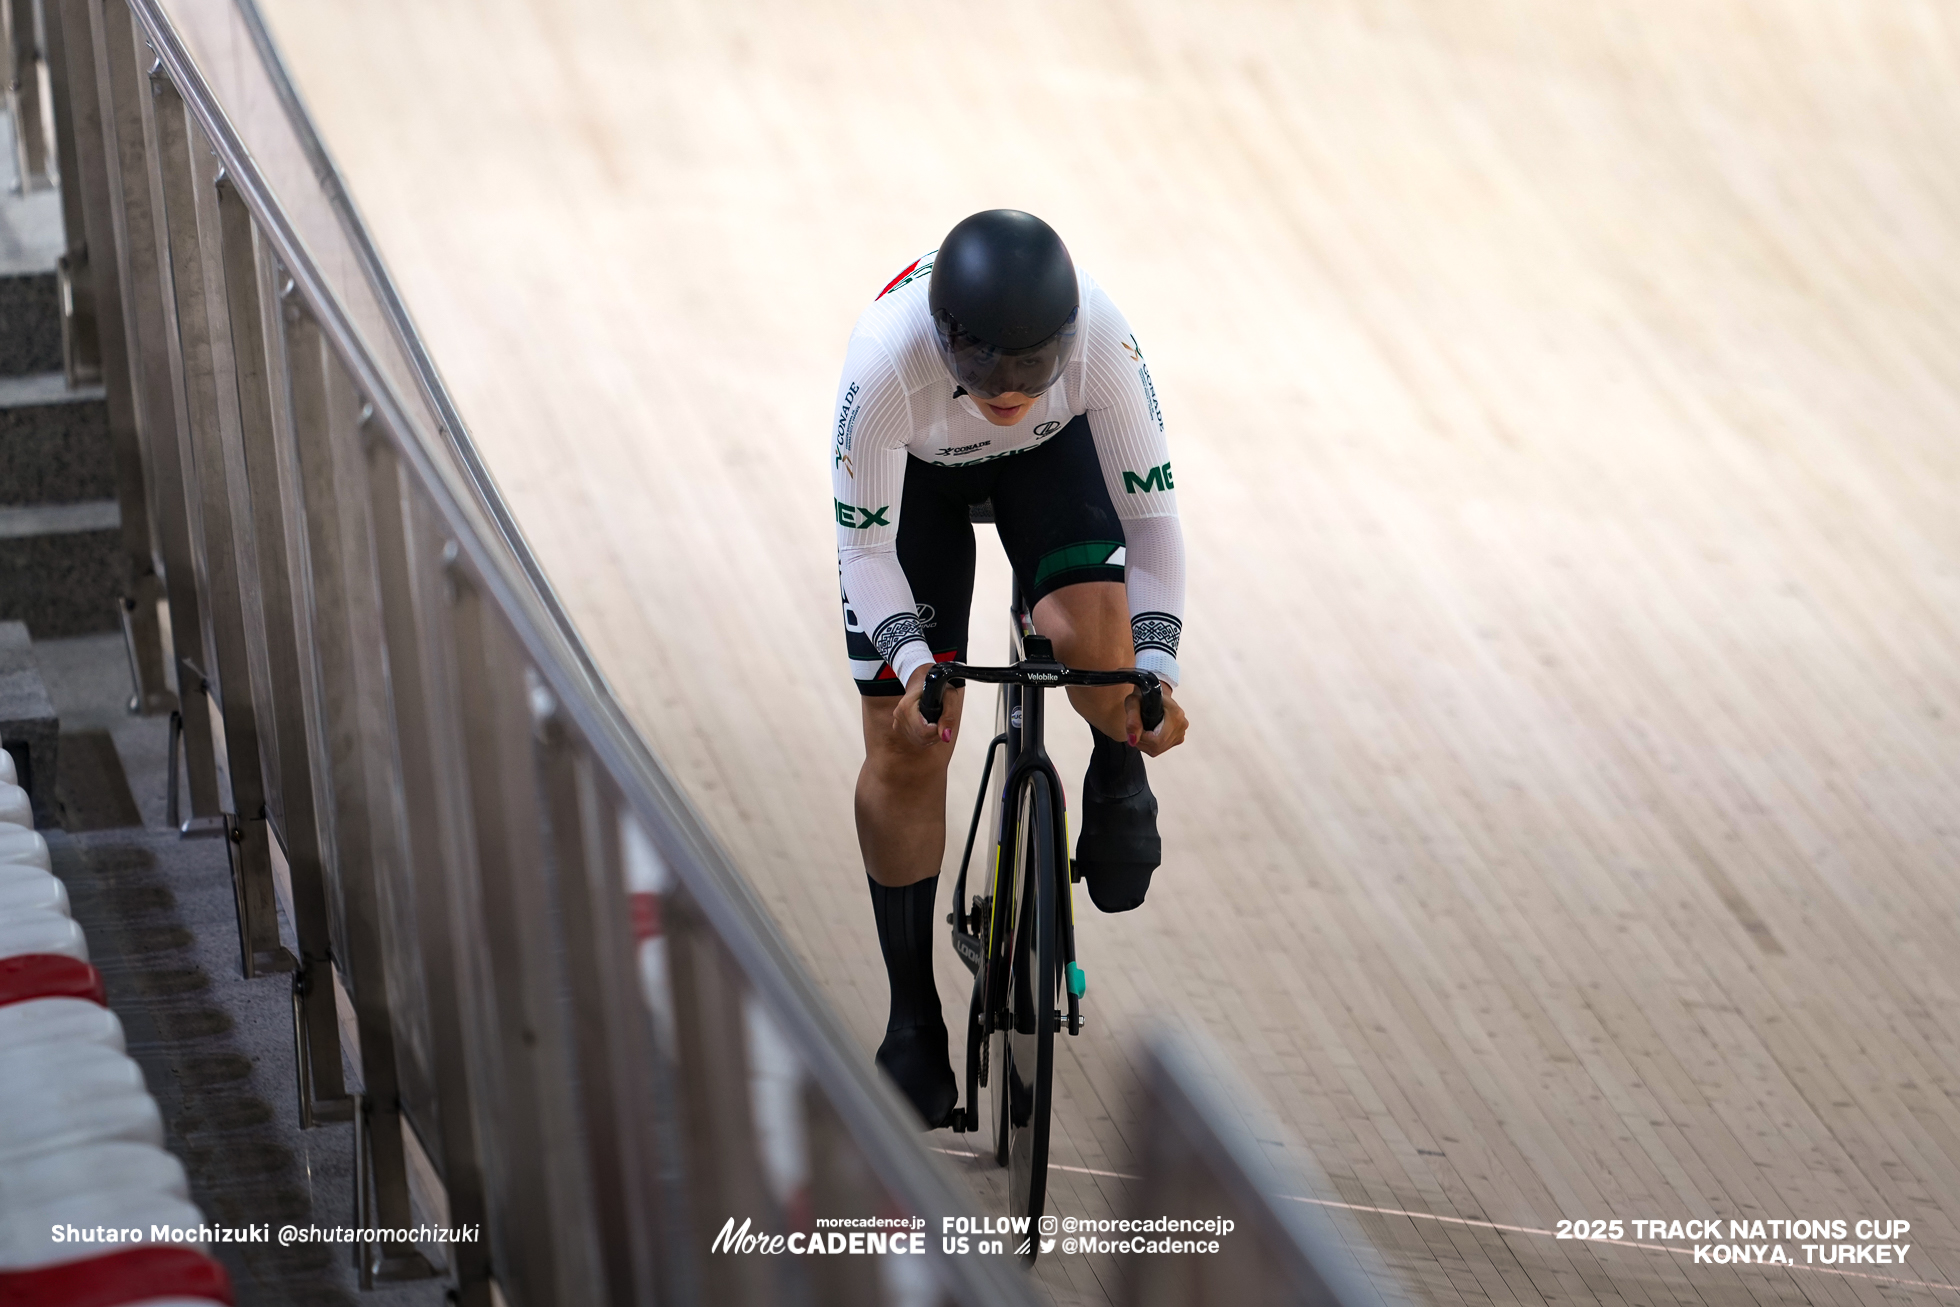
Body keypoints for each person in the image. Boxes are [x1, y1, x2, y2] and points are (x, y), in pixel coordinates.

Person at [834, 210, 1190, 1128]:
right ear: (946, 339)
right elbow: (866, 556)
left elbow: (1152, 525)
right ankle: (912, 1020)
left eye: (1033, 370)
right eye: (989, 370)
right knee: (910, 743)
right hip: (918, 479)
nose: (1009, 393)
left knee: (1098, 636)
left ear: (1066, 342)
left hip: (1049, 462)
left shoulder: (1102, 339)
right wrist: (916, 665)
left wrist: (1153, 670)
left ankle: (1115, 769)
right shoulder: (883, 363)